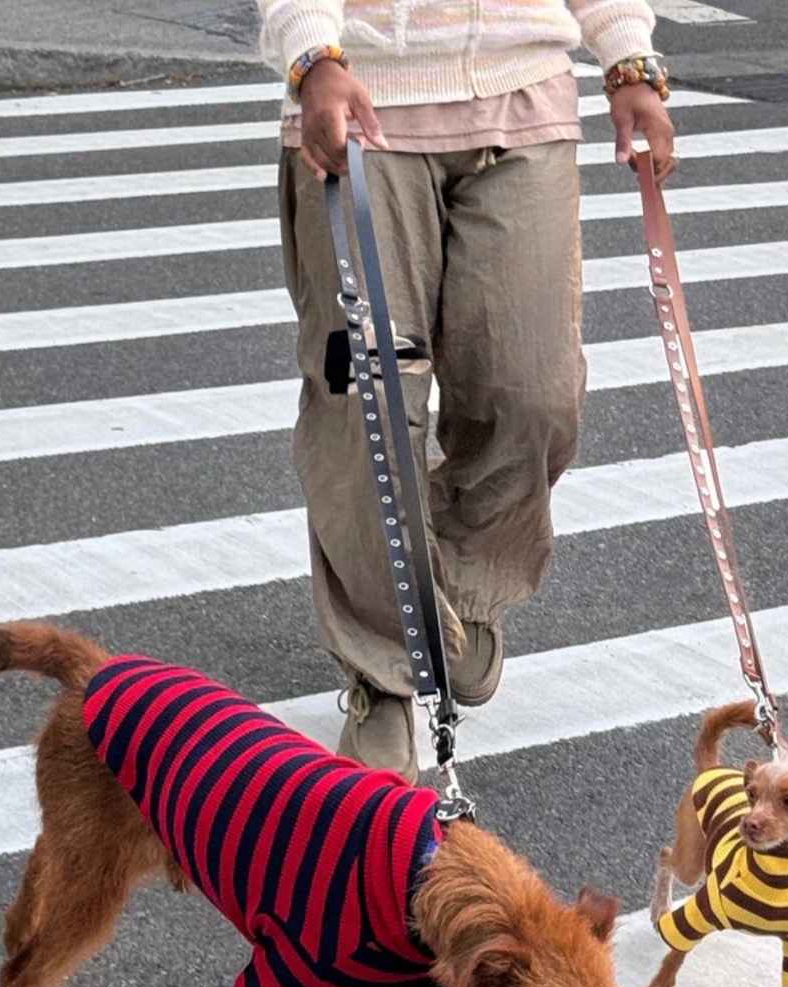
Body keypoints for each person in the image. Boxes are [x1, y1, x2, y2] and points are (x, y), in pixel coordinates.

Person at [257, 0, 677, 782]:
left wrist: (628, 58)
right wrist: (312, 55)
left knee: (533, 393)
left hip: (525, 100)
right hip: (363, 100)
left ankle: (464, 591)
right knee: (369, 406)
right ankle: (384, 670)